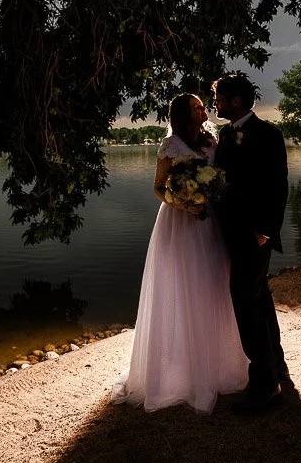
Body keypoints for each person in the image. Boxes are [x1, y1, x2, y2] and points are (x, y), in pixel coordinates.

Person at [111, 93, 248, 413]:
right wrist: (183, 203)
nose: (205, 109)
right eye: (198, 106)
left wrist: (209, 196)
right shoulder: (170, 145)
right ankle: (181, 374)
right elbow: (159, 187)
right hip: (181, 223)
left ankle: (219, 365)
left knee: (214, 286)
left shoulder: (212, 137)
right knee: (183, 288)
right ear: (184, 114)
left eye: (204, 105)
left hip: (210, 220)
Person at [212, 72, 290, 414]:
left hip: (255, 234)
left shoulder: (269, 134)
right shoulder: (226, 135)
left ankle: (263, 386)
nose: (216, 104)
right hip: (230, 232)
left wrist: (266, 230)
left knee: (246, 302)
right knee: (259, 297)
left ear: (236, 102)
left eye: (219, 99)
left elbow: (278, 186)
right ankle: (277, 365)